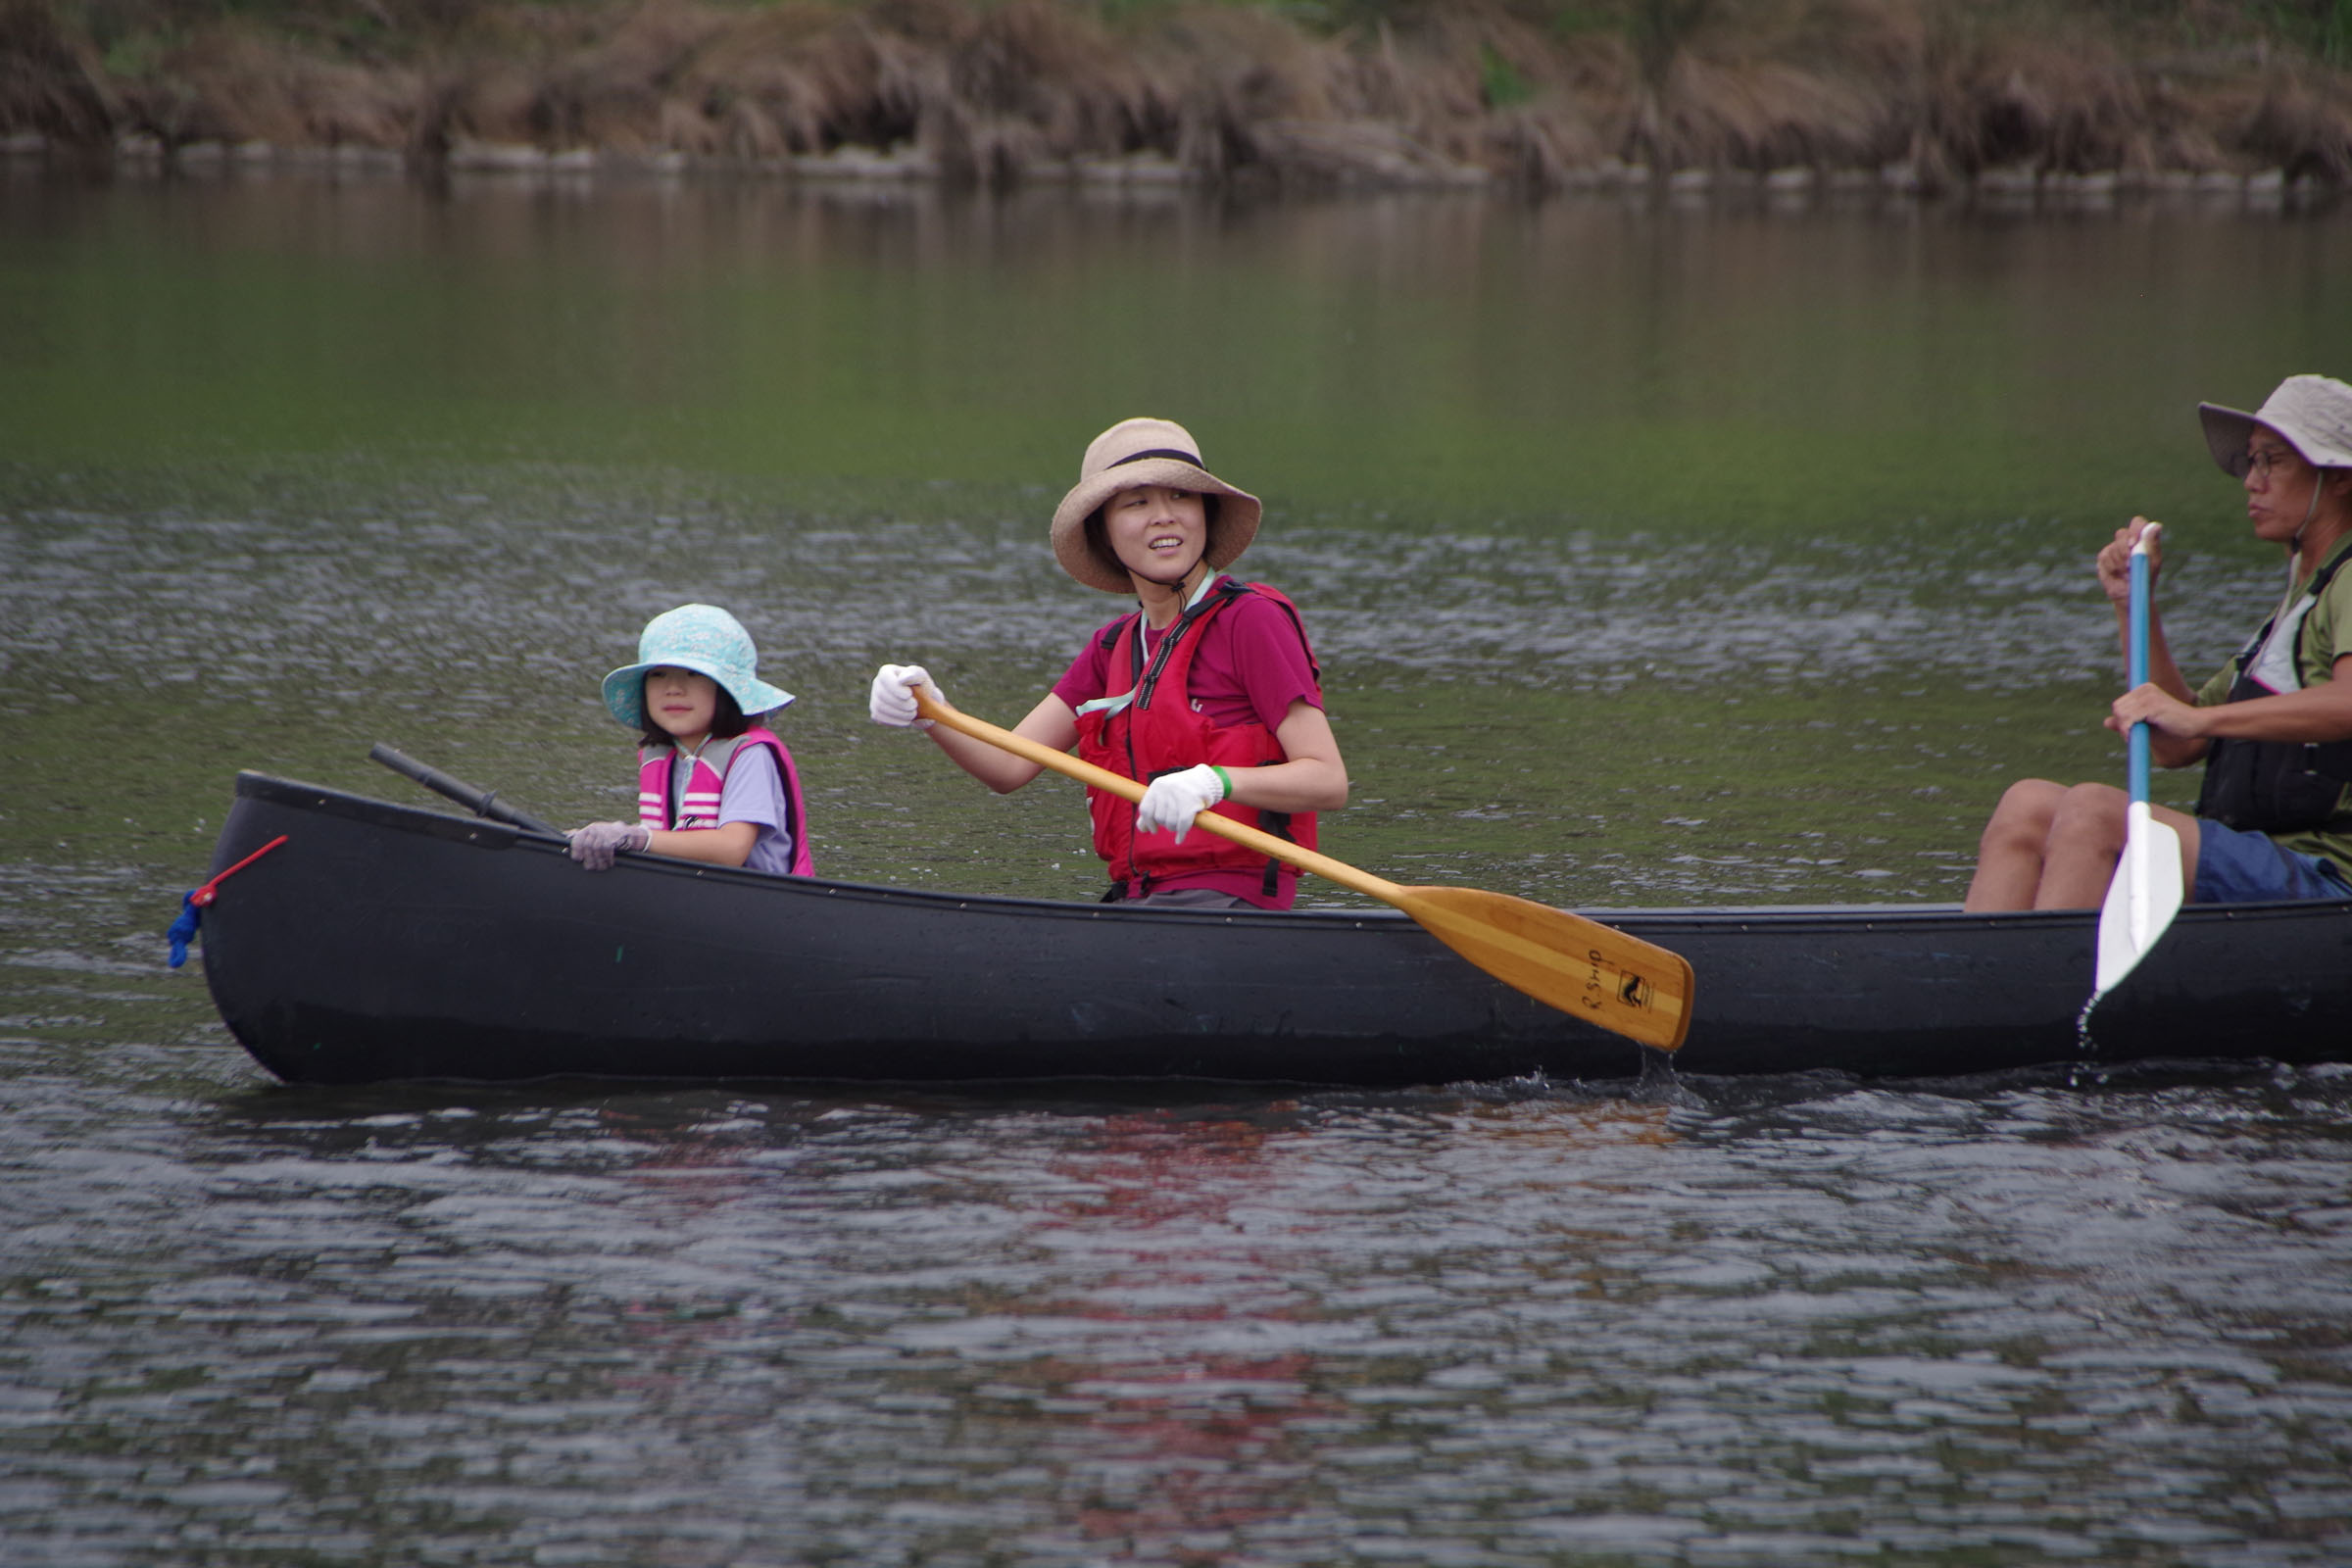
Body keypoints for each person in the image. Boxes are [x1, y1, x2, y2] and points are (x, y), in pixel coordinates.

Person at [867, 416, 1348, 909]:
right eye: (1137, 502)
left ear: (1207, 515)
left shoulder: (1253, 620)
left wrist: (1215, 782)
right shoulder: (1112, 646)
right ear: (1104, 534)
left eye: (1181, 497)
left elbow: (1328, 780)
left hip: (1231, 902)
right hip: (1136, 900)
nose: (1165, 516)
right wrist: (931, 713)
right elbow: (1009, 766)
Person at [1964, 374, 2352, 911]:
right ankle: (1975, 981)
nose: (2251, 482)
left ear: (2338, 480)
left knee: (2094, 812)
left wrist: (2200, 720)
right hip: (2259, 854)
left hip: (2329, 875)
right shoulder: (2297, 599)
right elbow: (2175, 742)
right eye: (2251, 462)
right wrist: (2134, 604)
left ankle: (2052, 986)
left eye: (2274, 462)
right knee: (2027, 803)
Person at [568, 604, 813, 876]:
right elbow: (672, 838)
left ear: (726, 690)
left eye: (694, 674)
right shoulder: (666, 754)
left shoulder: (750, 755)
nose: (673, 689)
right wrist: (594, 838)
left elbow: (732, 848)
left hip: (759, 902)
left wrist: (636, 838)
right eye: (658, 675)